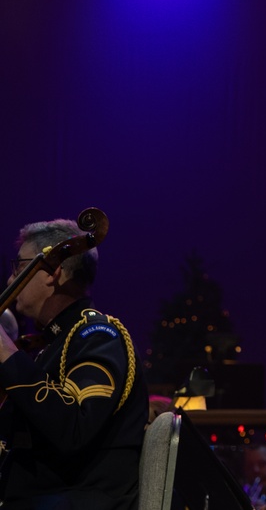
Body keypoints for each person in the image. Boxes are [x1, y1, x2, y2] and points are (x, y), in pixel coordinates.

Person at [0, 217, 149, 509]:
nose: (9, 280)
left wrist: (6, 352)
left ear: (53, 271)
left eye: (19, 267)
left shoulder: (98, 335)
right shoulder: (53, 345)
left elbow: (73, 429)